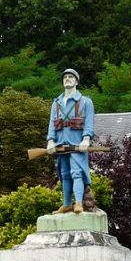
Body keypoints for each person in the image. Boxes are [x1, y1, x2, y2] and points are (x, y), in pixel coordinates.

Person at [47, 68, 94, 214]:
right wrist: (50, 140)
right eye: (65, 77)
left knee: (76, 173)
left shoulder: (86, 102)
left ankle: (78, 203)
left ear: (76, 81)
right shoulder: (56, 103)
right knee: (64, 173)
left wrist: (86, 138)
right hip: (61, 145)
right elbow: (52, 123)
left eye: (71, 77)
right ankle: (67, 204)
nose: (67, 79)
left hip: (77, 144)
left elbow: (89, 122)